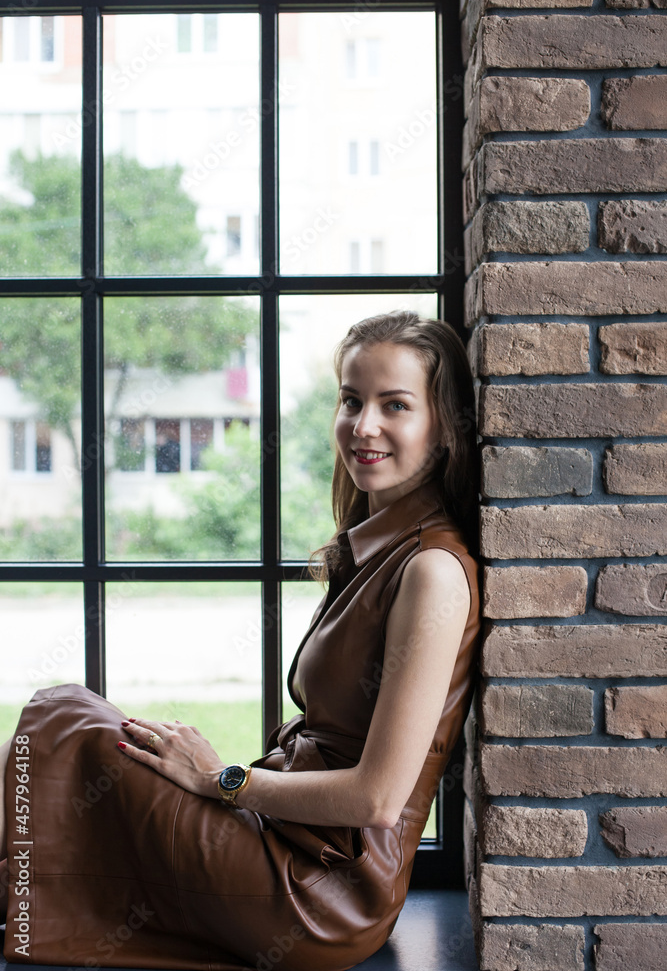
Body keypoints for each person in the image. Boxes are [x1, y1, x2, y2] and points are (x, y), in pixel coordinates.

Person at [0, 310, 480, 971]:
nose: (363, 426)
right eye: (350, 400)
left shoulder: (431, 571)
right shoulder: (377, 550)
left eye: (394, 405)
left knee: (72, 726)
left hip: (320, 893)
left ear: (443, 427)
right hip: (283, 838)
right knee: (67, 739)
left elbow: (377, 799)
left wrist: (220, 780)